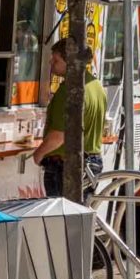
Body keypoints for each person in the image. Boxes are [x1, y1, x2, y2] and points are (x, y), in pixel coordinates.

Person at [33, 38, 107, 197]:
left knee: (61, 218)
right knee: (80, 216)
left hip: (66, 164)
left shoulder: (69, 91)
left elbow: (59, 135)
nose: (51, 63)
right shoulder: (97, 86)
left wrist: (38, 155)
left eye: (56, 60)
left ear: (70, 63)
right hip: (92, 161)